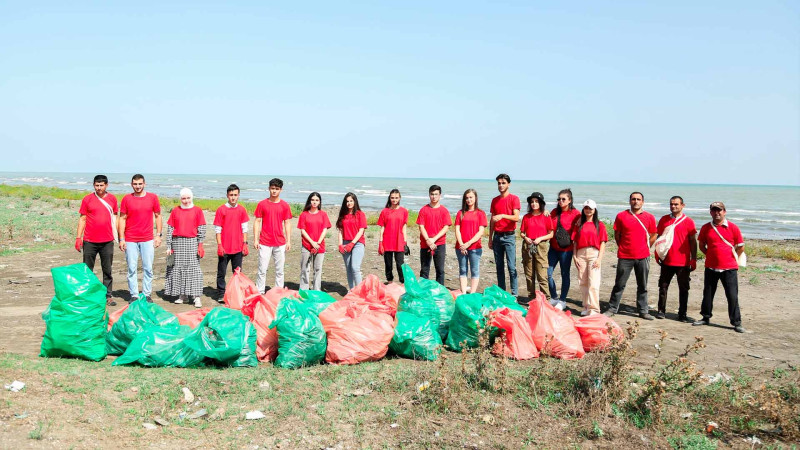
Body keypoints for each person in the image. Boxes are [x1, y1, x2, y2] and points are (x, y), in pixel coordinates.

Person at [693, 202, 746, 333]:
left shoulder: (733, 227)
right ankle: (705, 317)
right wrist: (710, 255)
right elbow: (701, 245)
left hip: (729, 268)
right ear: (710, 212)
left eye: (719, 210)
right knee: (708, 294)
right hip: (711, 267)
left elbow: (740, 247)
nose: (717, 213)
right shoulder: (706, 228)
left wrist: (731, 258)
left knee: (732, 296)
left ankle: (736, 322)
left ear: (724, 212)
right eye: (714, 210)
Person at [605, 192, 658, 320]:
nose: (636, 201)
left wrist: (646, 247)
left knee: (643, 285)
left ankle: (643, 310)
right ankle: (612, 308)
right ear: (630, 201)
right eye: (633, 199)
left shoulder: (649, 217)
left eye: (638, 199)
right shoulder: (621, 216)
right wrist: (623, 247)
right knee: (619, 284)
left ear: (643, 202)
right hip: (625, 256)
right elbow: (617, 235)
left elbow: (653, 235)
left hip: (643, 256)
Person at [76, 174, 118, 306]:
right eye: (97, 185)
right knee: (87, 269)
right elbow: (82, 219)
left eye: (101, 185)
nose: (99, 188)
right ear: (93, 185)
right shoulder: (87, 199)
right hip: (89, 240)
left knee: (107, 269)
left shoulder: (112, 199)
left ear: (106, 185)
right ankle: (88, 296)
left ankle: (108, 295)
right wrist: (78, 237)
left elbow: (115, 218)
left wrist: (119, 237)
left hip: (107, 241)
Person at [118, 174, 162, 302]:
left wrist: (158, 235)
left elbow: (158, 216)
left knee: (148, 267)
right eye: (135, 184)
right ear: (132, 184)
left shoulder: (153, 198)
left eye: (140, 184)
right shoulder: (126, 199)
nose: (138, 186)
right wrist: (121, 239)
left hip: (147, 238)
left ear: (144, 184)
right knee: (132, 268)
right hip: (130, 238)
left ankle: (147, 294)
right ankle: (134, 294)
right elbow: (122, 218)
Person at [655, 196, 697, 321]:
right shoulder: (664, 219)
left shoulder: (688, 221)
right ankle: (661, 311)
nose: (673, 206)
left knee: (683, 289)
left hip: (683, 261)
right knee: (663, 286)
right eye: (671, 204)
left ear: (682, 205)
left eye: (676, 204)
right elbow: (659, 238)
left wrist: (693, 258)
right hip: (667, 259)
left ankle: (682, 314)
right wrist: (657, 254)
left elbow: (693, 241)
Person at [164, 188, 207, 308]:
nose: (186, 200)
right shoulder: (175, 211)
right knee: (178, 269)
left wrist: (200, 244)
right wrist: (169, 246)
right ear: (180, 199)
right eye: (183, 198)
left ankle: (196, 297)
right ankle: (182, 295)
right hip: (177, 243)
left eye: (188, 198)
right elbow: (170, 229)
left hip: (192, 242)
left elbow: (202, 229)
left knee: (194, 269)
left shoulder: (197, 210)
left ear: (191, 198)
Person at [253, 178, 293, 293]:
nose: (274, 191)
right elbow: (257, 221)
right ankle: (260, 291)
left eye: (277, 189)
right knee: (262, 269)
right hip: (265, 242)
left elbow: (287, 223)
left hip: (280, 242)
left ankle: (278, 291)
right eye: (272, 188)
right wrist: (256, 239)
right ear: (269, 189)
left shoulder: (284, 205)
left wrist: (288, 241)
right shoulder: (262, 204)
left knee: (279, 270)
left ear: (281, 190)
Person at [213, 184, 249, 299]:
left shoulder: (242, 210)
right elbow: (218, 229)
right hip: (225, 248)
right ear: (227, 196)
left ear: (238, 195)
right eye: (231, 195)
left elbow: (245, 228)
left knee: (237, 273)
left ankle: (236, 293)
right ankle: (221, 294)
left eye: (235, 195)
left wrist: (245, 243)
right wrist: (219, 245)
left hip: (238, 248)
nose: (233, 197)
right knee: (221, 273)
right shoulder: (221, 210)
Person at [571, 200, 607, 316]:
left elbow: (603, 243)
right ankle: (586, 306)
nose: (588, 210)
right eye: (586, 208)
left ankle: (594, 309)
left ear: (594, 210)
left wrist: (599, 259)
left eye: (590, 208)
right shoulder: (579, 224)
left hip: (593, 253)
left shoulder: (599, 225)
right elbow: (575, 242)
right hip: (581, 253)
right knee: (582, 282)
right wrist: (575, 256)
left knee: (593, 283)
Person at [548, 188, 581, 310]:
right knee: (548, 274)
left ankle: (562, 300)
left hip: (566, 250)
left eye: (563, 199)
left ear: (570, 200)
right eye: (559, 199)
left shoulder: (576, 213)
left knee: (564, 274)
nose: (560, 201)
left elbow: (579, 229)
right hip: (553, 248)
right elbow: (548, 226)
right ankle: (554, 297)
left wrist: (572, 242)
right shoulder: (554, 212)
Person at [489, 174, 521, 295]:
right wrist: (490, 238)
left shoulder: (514, 199)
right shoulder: (495, 200)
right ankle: (502, 293)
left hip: (509, 236)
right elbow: (492, 220)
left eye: (503, 183)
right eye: (499, 183)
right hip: (497, 237)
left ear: (508, 184)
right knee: (499, 267)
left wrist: (502, 215)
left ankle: (514, 294)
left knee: (512, 267)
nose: (501, 185)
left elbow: (516, 217)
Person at [520, 192, 554, 300]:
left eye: (536, 202)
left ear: (541, 203)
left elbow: (551, 234)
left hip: (541, 246)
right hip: (528, 246)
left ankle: (546, 300)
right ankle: (532, 299)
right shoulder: (526, 217)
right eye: (532, 202)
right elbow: (522, 232)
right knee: (529, 275)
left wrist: (540, 238)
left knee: (542, 275)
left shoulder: (546, 216)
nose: (534, 204)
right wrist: (525, 238)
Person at [416, 185, 452, 285]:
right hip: (425, 243)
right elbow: (421, 226)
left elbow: (446, 227)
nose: (434, 196)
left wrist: (434, 239)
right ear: (429, 195)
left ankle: (439, 292)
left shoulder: (444, 210)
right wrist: (428, 240)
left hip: (439, 243)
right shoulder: (424, 210)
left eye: (436, 194)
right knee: (424, 270)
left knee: (440, 270)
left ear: (440, 195)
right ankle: (423, 291)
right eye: (432, 194)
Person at [454, 189, 487, 294]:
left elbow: (480, 232)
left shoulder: (481, 213)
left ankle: (472, 293)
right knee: (463, 270)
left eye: (471, 197)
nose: (469, 200)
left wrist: (468, 244)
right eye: (467, 198)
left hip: (475, 248)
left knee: (474, 271)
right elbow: (457, 230)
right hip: (461, 247)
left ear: (475, 198)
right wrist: (461, 245)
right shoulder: (460, 213)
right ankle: (463, 293)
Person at [297, 192, 331, 290]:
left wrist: (318, 243)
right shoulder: (304, 214)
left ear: (320, 202)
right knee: (305, 268)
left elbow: (325, 229)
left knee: (317, 269)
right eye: (312, 200)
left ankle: (316, 290)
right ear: (309, 201)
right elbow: (303, 230)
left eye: (317, 200)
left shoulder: (323, 214)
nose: (314, 202)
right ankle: (304, 289)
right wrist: (312, 242)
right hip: (306, 245)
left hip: (319, 246)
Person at [337, 192, 367, 289]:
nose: (349, 203)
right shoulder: (343, 215)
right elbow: (340, 231)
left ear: (355, 201)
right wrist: (340, 244)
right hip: (345, 242)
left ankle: (359, 291)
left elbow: (361, 230)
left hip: (358, 243)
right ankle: (351, 290)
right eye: (347, 201)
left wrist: (352, 243)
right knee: (349, 268)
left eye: (351, 201)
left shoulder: (360, 214)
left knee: (355, 267)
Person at [377, 189, 409, 283]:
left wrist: (405, 243)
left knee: (400, 264)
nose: (394, 200)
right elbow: (382, 228)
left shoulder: (404, 211)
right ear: (389, 198)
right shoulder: (384, 211)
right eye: (392, 198)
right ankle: (390, 282)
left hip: (399, 241)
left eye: (396, 198)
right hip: (387, 241)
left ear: (399, 198)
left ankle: (403, 283)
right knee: (388, 264)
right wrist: (380, 242)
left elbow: (404, 228)